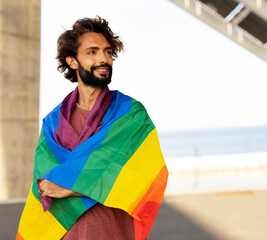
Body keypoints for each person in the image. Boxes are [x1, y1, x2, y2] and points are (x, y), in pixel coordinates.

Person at [16, 16, 168, 240]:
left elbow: (144, 175)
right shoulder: (53, 123)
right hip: (64, 234)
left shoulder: (131, 114)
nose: (104, 59)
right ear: (72, 61)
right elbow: (44, 186)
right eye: (92, 52)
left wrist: (70, 186)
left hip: (111, 232)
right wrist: (94, 180)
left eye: (108, 52)